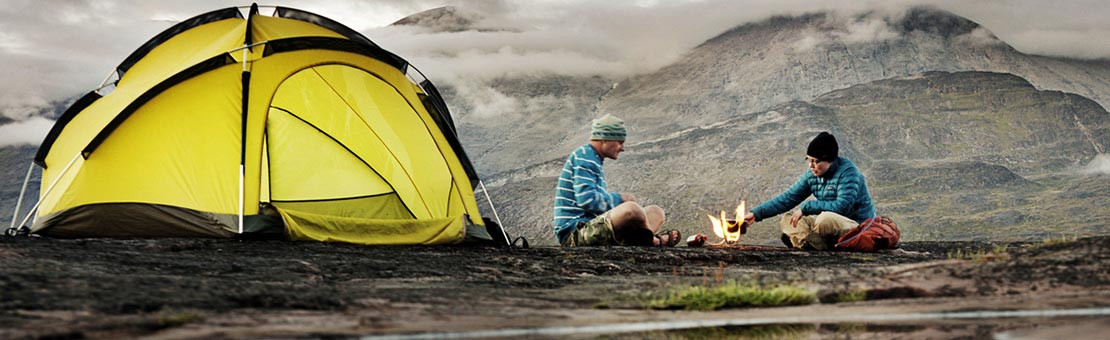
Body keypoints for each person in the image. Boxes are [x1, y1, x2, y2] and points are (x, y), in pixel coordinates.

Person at [553, 114, 677, 247]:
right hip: (575, 233)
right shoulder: (585, 157)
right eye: (619, 142)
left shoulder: (592, 158)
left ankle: (640, 239)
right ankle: (651, 240)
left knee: (655, 212)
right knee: (632, 209)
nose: (622, 148)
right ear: (605, 140)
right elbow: (586, 199)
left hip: (593, 228)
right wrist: (621, 199)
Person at [743, 132, 875, 250]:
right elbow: (788, 198)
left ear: (830, 159)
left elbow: (842, 207)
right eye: (809, 160)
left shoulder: (848, 173)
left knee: (824, 219)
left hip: (855, 226)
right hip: (828, 228)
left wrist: (807, 207)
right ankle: (808, 243)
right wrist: (756, 214)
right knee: (788, 219)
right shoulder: (812, 175)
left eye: (816, 161)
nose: (811, 166)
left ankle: (806, 241)